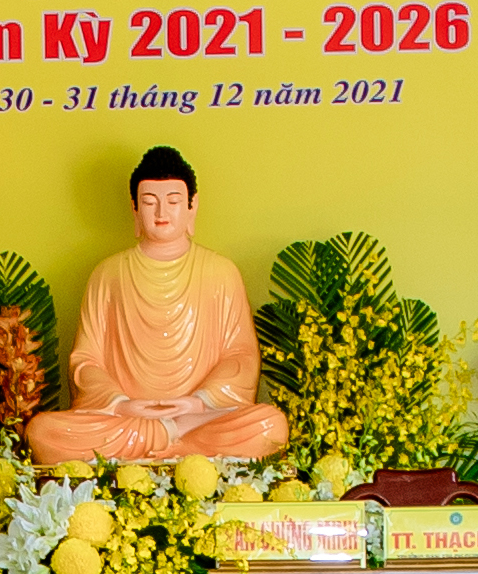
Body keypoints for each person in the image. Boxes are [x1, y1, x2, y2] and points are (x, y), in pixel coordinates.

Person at [25, 145, 292, 462]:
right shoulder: (108, 274)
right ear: (135, 209)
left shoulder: (220, 272)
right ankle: (174, 440)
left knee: (269, 426)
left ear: (192, 206)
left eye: (174, 201)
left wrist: (199, 402)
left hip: (199, 415)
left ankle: (164, 440)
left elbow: (241, 356)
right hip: (127, 417)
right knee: (42, 432)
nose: (162, 213)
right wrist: (123, 404)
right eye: (150, 202)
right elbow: (86, 362)